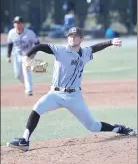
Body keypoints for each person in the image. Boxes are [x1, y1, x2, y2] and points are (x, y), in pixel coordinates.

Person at [7, 27, 136, 151]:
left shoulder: (85, 53)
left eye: (75, 36)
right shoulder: (61, 50)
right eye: (70, 36)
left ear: (81, 39)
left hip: (75, 97)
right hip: (56, 94)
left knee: (93, 126)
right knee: (37, 108)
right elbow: (41, 46)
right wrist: (27, 56)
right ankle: (25, 141)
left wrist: (111, 42)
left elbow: (95, 48)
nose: (72, 38)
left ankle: (118, 129)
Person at [7, 16, 40, 96]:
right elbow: (10, 44)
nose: (18, 25)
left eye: (19, 23)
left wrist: (33, 54)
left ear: (23, 24)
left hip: (27, 55)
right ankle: (28, 85)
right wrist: (8, 56)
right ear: (14, 24)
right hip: (17, 55)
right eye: (16, 23)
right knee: (18, 75)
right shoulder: (11, 33)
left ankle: (29, 90)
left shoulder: (30, 33)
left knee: (26, 71)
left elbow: (37, 43)